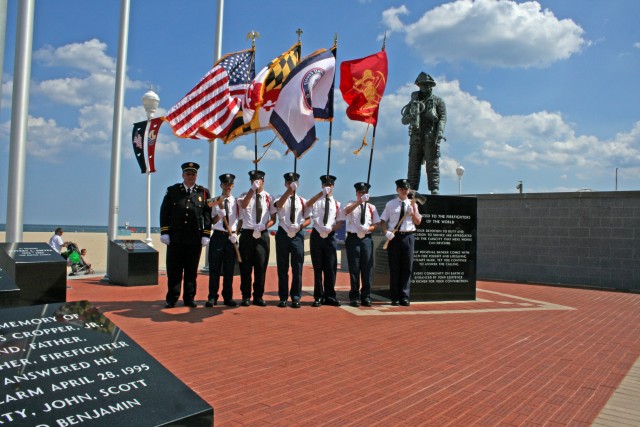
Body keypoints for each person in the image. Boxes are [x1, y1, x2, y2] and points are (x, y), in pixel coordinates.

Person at [160, 162, 212, 308]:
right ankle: (172, 298)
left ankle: (189, 298)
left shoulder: (203, 192)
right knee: (174, 270)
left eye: (193, 174)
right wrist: (165, 232)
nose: (190, 176)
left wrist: (206, 233)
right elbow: (165, 212)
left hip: (195, 239)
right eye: (188, 174)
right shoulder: (173, 191)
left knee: (191, 271)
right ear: (183, 175)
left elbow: (207, 214)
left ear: (196, 175)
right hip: (175, 238)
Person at [401, 72, 446, 194]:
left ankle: (434, 188)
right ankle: (412, 189)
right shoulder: (414, 100)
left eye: (426, 85)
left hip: (431, 137)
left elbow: (442, 118)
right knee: (413, 164)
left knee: (432, 164)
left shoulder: (438, 101)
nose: (423, 87)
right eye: (421, 85)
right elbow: (403, 120)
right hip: (416, 137)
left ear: (430, 86)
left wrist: (440, 131)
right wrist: (411, 116)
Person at [380, 179, 423, 306]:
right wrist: (386, 232)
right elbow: (383, 220)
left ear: (409, 190)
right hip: (395, 237)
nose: (404, 191)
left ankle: (404, 296)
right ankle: (394, 297)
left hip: (408, 237)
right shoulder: (390, 204)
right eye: (402, 188)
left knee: (407, 268)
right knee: (394, 268)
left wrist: (412, 213)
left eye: (406, 188)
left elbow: (418, 222)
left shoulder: (413, 204)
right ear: (397, 190)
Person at [272, 172, 311, 308]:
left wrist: (300, 226)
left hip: (297, 235)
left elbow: (308, 219)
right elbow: (279, 205)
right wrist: (289, 191)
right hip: (283, 234)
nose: (291, 184)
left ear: (298, 184)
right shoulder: (279, 197)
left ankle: (296, 297)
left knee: (297, 267)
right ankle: (283, 297)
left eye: (293, 183)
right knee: (282, 267)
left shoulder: (302, 200)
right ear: (285, 184)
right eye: (288, 183)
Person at [238, 170, 275, 306]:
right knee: (246, 268)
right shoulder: (244, 195)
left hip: (262, 234)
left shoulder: (269, 197)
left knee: (261, 267)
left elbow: (273, 219)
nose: (256, 183)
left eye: (258, 181)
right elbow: (243, 205)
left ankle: (258, 296)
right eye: (253, 181)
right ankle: (245, 296)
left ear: (263, 181)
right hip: (247, 233)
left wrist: (265, 226)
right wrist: (252, 190)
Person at [340, 182, 380, 307]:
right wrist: (359, 201)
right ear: (356, 193)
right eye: (360, 192)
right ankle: (354, 296)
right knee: (354, 269)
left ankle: (366, 296)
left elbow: (376, 224)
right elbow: (346, 211)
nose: (362, 194)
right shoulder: (351, 203)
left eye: (364, 192)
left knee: (367, 268)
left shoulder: (371, 207)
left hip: (366, 239)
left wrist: (368, 228)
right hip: (353, 238)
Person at [306, 175, 343, 307]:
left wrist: (331, 228)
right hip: (317, 235)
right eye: (325, 185)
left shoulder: (337, 204)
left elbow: (340, 222)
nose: (328, 187)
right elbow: (307, 204)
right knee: (317, 267)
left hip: (330, 236)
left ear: (333, 186)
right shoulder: (317, 200)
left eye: (330, 185)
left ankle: (330, 296)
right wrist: (321, 193)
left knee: (330, 267)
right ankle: (318, 296)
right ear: (322, 186)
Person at [205, 173, 239, 308]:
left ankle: (228, 297)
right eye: (225, 184)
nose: (227, 187)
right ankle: (212, 297)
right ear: (221, 185)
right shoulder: (214, 201)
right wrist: (219, 216)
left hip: (231, 237)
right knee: (214, 269)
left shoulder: (237, 202)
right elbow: (210, 221)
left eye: (230, 184)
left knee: (229, 270)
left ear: (233, 186)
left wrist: (237, 234)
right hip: (218, 236)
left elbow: (240, 219)